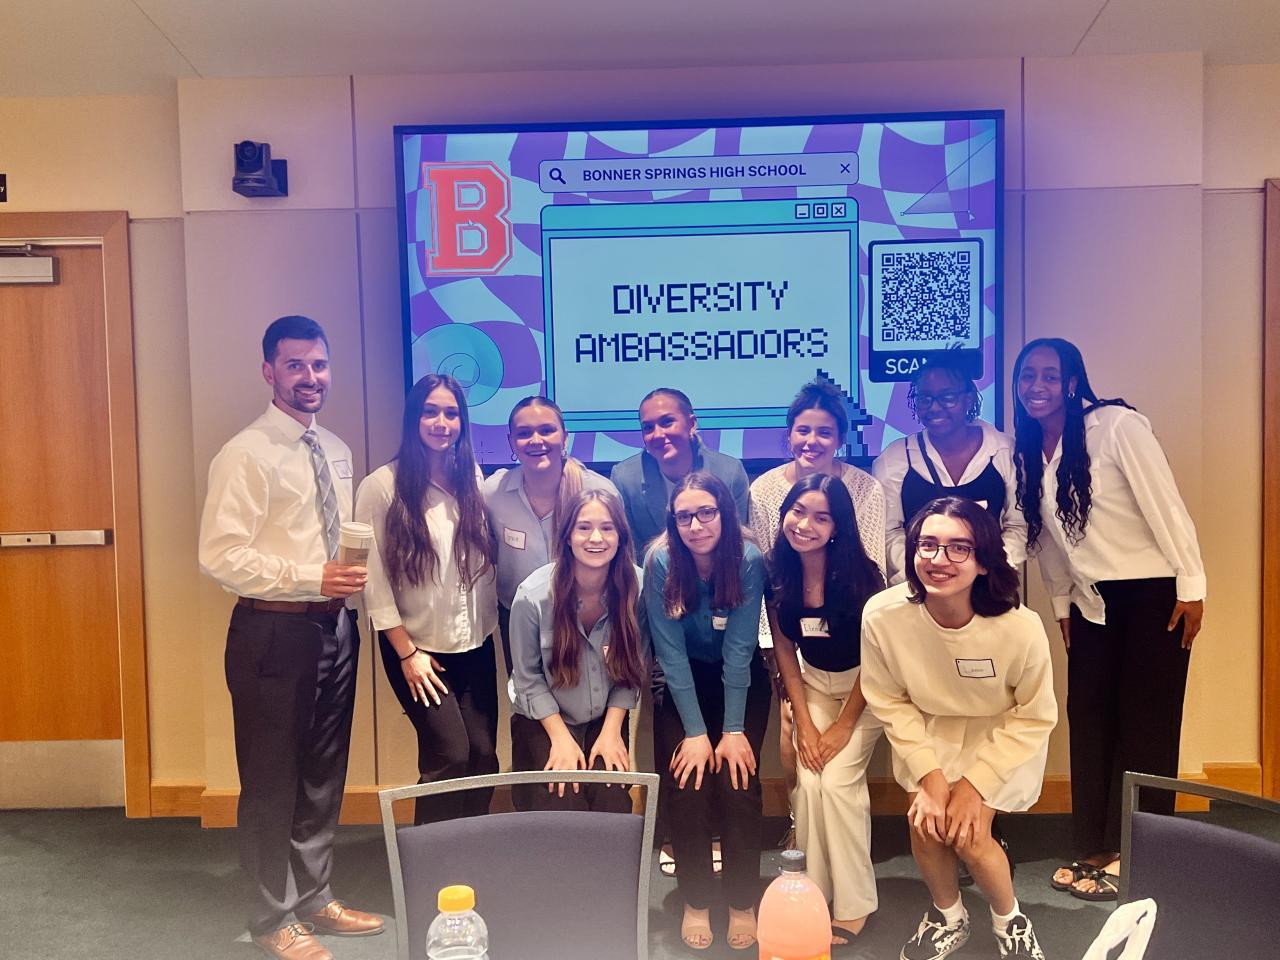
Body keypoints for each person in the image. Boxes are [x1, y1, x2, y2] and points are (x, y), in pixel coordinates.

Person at [199, 315, 383, 960]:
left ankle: (313, 897)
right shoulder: (245, 453)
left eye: (319, 364)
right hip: (272, 631)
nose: (310, 377)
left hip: (334, 626)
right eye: (295, 365)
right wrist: (311, 576)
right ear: (269, 371)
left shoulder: (335, 448)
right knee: (272, 779)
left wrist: (337, 587)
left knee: (323, 773)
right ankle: (270, 917)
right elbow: (220, 555)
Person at [1012, 337, 1206, 901]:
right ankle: (1095, 846)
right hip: (1091, 601)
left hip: (1153, 596)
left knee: (1146, 727)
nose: (1037, 386)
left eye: (1050, 375)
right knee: (1090, 720)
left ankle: (1145, 854)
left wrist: (1192, 586)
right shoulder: (1031, 447)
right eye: (1027, 376)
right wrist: (1062, 605)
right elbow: (1050, 542)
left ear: (1073, 382)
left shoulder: (1118, 426)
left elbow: (1166, 506)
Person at [861, 496, 1056, 960]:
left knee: (969, 833)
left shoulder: (1020, 627)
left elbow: (1034, 714)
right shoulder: (883, 615)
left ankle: (1010, 921)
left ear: (984, 560)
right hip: (929, 729)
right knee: (926, 824)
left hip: (1004, 733)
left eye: (958, 548)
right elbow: (888, 699)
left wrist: (974, 786)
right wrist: (930, 777)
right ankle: (949, 916)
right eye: (927, 545)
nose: (938, 559)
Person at [354, 373, 499, 826]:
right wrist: (407, 654)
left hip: (475, 645)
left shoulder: (471, 479)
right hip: (418, 651)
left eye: (451, 413)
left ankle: (469, 852)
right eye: (430, 412)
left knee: (483, 758)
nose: (441, 422)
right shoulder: (382, 486)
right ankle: (429, 859)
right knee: (449, 757)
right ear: (413, 418)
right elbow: (373, 581)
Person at [749, 379, 886, 829]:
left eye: (824, 432)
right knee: (793, 737)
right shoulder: (764, 490)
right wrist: (774, 648)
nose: (812, 441)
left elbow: (870, 568)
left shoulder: (865, 489)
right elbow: (773, 571)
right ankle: (801, 828)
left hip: (849, 630)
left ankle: (835, 834)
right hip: (789, 633)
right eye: (803, 430)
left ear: (840, 437)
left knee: (837, 758)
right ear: (789, 433)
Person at [644, 472, 771, 951]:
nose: (695, 526)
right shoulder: (661, 560)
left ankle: (741, 901)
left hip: (739, 680)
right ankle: (696, 900)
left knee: (738, 784)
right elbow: (669, 653)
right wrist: (696, 733)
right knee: (688, 784)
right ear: (673, 522)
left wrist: (732, 730)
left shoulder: (748, 558)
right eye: (684, 517)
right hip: (683, 681)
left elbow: (739, 650)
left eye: (706, 513)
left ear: (724, 513)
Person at [765, 474, 886, 946]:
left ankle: (855, 905)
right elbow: (785, 651)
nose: (805, 525)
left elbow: (877, 661)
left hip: (865, 689)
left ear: (838, 526)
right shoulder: (778, 572)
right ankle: (813, 893)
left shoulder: (863, 577)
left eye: (821, 517)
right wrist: (804, 723)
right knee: (810, 782)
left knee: (836, 784)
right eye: (798, 512)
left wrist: (841, 727)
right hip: (812, 684)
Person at [507, 488, 648, 811]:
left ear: (621, 537)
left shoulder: (638, 589)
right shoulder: (532, 596)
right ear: (568, 536)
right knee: (562, 795)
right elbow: (527, 679)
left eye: (607, 528)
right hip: (544, 717)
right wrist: (560, 738)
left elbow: (632, 670)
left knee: (611, 796)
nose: (595, 538)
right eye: (584, 527)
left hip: (605, 715)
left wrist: (612, 731)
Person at [482, 396, 617, 675]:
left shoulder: (600, 492)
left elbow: (620, 566)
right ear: (511, 442)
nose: (536, 440)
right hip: (519, 621)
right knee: (528, 698)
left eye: (546, 430)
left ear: (565, 437)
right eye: (524, 433)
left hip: (588, 620)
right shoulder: (493, 493)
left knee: (593, 698)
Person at [873, 357, 1026, 584]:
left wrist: (988, 567)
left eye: (947, 397)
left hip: (989, 584)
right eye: (925, 399)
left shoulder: (1006, 451)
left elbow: (1018, 526)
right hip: (921, 586)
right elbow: (889, 531)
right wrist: (924, 570)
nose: (935, 407)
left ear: (969, 398)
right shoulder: (894, 459)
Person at [611, 387, 750, 557]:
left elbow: (736, 544)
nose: (657, 434)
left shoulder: (729, 473)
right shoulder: (625, 479)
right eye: (648, 428)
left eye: (667, 422)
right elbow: (629, 554)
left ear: (691, 424)